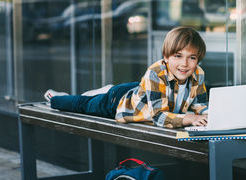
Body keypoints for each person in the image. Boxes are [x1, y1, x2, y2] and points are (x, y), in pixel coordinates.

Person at [45, 26, 208, 129]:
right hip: (119, 103)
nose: (185, 63)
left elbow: (200, 104)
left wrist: (209, 116)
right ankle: (55, 97)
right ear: (166, 56)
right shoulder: (156, 72)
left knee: (104, 92)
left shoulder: (197, 73)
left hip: (138, 90)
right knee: (83, 104)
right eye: (178, 56)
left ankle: (108, 89)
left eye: (192, 58)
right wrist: (188, 118)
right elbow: (158, 117)